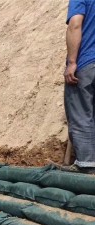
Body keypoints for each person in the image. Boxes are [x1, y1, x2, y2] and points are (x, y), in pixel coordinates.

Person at [64, 0, 95, 174]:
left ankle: (88, 168)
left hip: (87, 62)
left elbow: (75, 25)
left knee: (81, 114)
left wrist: (72, 62)